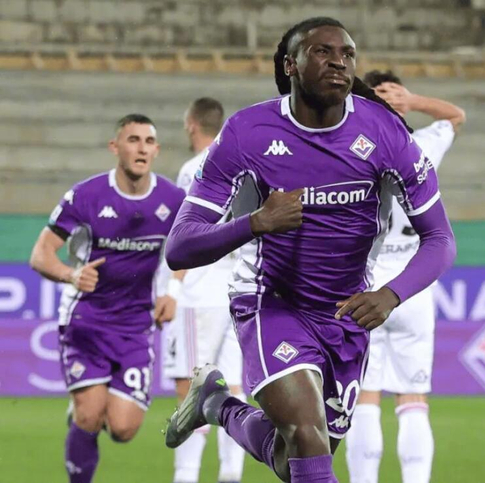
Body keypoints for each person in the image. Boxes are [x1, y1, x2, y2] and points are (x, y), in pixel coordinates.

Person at [162, 16, 456, 483]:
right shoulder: (247, 133)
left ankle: (215, 404)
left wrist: (390, 294)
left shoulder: (385, 133)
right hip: (271, 303)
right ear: (290, 65)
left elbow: (440, 238)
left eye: (347, 54)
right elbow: (180, 246)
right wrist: (256, 222)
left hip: (346, 313)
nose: (339, 62)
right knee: (307, 438)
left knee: (294, 459)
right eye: (322, 51)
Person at [29, 114, 184, 483]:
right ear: (115, 147)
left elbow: (187, 250)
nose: (141, 148)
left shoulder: (173, 200)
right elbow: (40, 255)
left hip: (135, 326)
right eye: (133, 140)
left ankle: (85, 414)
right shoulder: (85, 196)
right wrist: (71, 274)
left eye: (148, 141)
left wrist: (172, 291)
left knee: (123, 428)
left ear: (157, 151)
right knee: (89, 414)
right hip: (86, 320)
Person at [344, 70, 465, 483]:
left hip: (364, 288)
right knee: (413, 400)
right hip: (413, 287)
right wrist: (414, 101)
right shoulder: (422, 147)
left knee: (364, 399)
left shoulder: (351, 149)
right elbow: (456, 116)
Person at [163, 98, 246, 483]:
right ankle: (231, 473)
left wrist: (172, 288)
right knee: (233, 387)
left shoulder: (195, 168)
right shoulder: (245, 165)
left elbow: (186, 234)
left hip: (200, 291)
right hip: (239, 288)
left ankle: (186, 476)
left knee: (192, 389)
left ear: (192, 124)